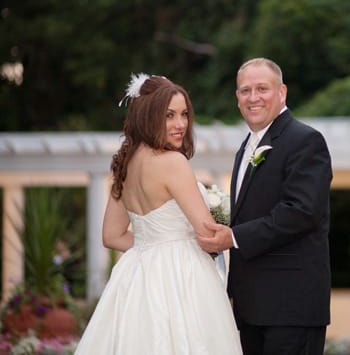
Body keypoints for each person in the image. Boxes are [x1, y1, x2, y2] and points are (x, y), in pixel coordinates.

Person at [74, 74, 242, 355]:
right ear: (148, 116)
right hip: (182, 276)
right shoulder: (173, 163)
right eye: (169, 116)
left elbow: (111, 236)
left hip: (136, 275)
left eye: (185, 114)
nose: (181, 124)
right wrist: (180, 243)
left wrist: (152, 245)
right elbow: (207, 232)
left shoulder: (124, 164)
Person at [197, 58, 333, 355]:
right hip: (251, 309)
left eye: (262, 88)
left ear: (281, 92)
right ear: (237, 98)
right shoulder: (244, 149)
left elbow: (301, 211)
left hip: (291, 306)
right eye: (245, 90)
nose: (253, 97)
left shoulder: (305, 140)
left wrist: (232, 237)